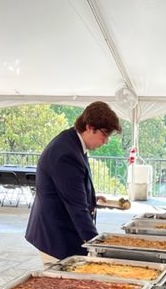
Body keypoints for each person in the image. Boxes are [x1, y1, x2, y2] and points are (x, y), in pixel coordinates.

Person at [25, 101, 121, 263]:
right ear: (90, 127)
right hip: (56, 236)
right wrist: (98, 248)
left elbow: (70, 188)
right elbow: (77, 208)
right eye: (104, 135)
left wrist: (92, 198)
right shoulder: (66, 154)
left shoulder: (72, 141)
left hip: (61, 230)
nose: (106, 141)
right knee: (62, 286)